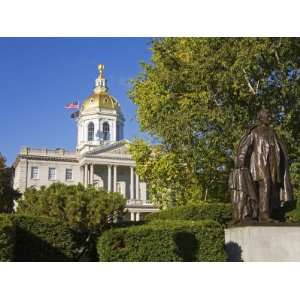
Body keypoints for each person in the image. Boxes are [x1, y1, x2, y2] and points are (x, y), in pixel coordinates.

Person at [229, 109, 293, 222]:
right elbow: (245, 147)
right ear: (261, 118)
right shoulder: (255, 131)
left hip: (273, 163)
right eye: (268, 116)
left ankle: (270, 212)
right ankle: (264, 215)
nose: (270, 117)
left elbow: (279, 148)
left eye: (270, 115)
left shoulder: (272, 132)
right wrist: (240, 159)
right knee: (266, 184)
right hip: (259, 164)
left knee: (272, 187)